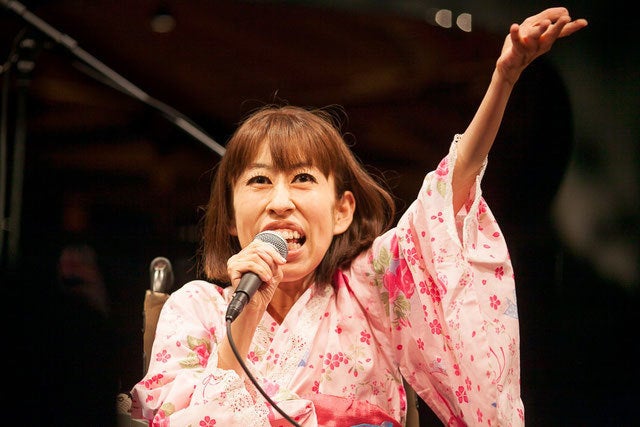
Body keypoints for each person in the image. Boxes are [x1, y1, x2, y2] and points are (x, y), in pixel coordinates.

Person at [130, 7, 587, 426]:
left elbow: (448, 194)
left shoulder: (371, 289)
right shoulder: (194, 308)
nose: (280, 201)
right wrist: (244, 318)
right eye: (260, 181)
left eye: (303, 178)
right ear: (231, 217)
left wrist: (504, 78)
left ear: (342, 210)